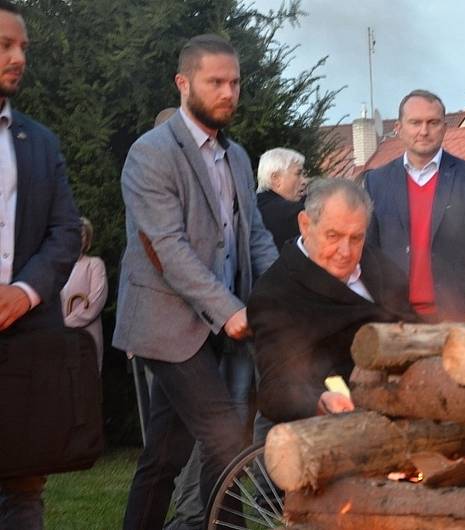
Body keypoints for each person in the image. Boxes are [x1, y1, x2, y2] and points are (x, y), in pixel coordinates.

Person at [113, 34, 278, 530]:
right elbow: (167, 249)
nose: (228, 92)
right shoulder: (152, 153)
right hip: (166, 327)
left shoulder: (238, 156)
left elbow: (256, 240)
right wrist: (230, 310)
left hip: (218, 330)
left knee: (164, 456)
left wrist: (287, 294)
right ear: (183, 83)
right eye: (216, 82)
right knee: (227, 439)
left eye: (235, 82)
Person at [0, 2, 82, 528]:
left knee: (24, 493)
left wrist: (26, 291)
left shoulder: (38, 140)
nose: (18, 57)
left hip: (23, 343)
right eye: (6, 45)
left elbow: (65, 231)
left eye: (23, 47)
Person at [248, 178, 418, 422]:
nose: (345, 251)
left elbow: (411, 319)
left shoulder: (373, 260)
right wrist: (318, 400)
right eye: (333, 236)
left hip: (409, 397)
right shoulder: (275, 294)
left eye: (356, 238)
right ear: (305, 225)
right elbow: (275, 389)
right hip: (340, 421)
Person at [364, 89, 465, 323]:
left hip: (456, 316)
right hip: (393, 318)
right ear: (398, 128)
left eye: (433, 122)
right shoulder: (376, 182)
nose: (424, 131)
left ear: (445, 127)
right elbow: (368, 252)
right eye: (415, 122)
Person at [60, 217, 108, 372]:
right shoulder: (57, 267)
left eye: (82, 235)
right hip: (60, 341)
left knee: (86, 386)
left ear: (87, 240)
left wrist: (65, 323)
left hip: (86, 339)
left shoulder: (94, 264)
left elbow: (95, 301)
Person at [256, 147, 305, 249]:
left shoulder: (254, 205)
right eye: (298, 174)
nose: (304, 181)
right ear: (276, 179)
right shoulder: (289, 213)